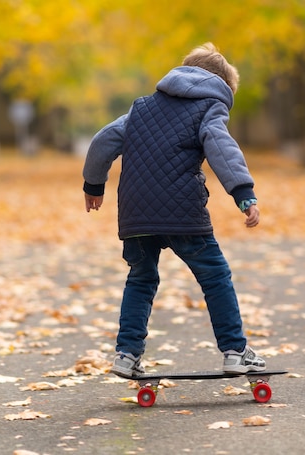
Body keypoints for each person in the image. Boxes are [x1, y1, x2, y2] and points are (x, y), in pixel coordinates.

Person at [82, 43, 266, 378]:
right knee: (215, 276)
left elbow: (102, 141)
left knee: (140, 279)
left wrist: (93, 186)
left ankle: (126, 355)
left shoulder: (141, 108)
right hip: (183, 214)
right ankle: (235, 351)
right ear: (220, 85)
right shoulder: (209, 107)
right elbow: (221, 147)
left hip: (136, 214)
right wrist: (244, 193)